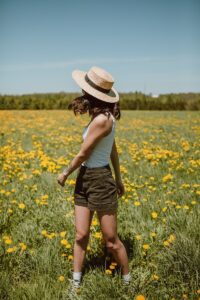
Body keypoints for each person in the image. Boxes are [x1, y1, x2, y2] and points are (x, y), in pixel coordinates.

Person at [57, 66, 132, 293]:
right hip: (87, 178)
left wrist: (65, 173)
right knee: (81, 235)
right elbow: (113, 150)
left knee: (111, 240)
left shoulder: (103, 120)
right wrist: (119, 179)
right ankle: (76, 282)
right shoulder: (100, 116)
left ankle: (128, 282)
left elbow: (83, 153)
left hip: (99, 179)